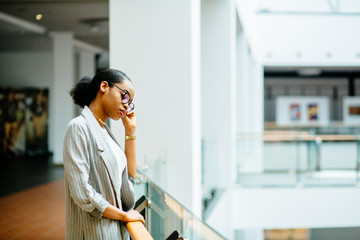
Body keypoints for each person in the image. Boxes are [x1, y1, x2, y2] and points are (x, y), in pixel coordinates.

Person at [63, 69, 144, 239]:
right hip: (93, 233)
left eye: (130, 102)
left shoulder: (105, 133)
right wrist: (124, 216)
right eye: (125, 96)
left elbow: (127, 185)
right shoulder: (79, 127)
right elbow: (83, 194)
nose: (126, 105)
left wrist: (130, 132)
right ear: (104, 86)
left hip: (114, 232)